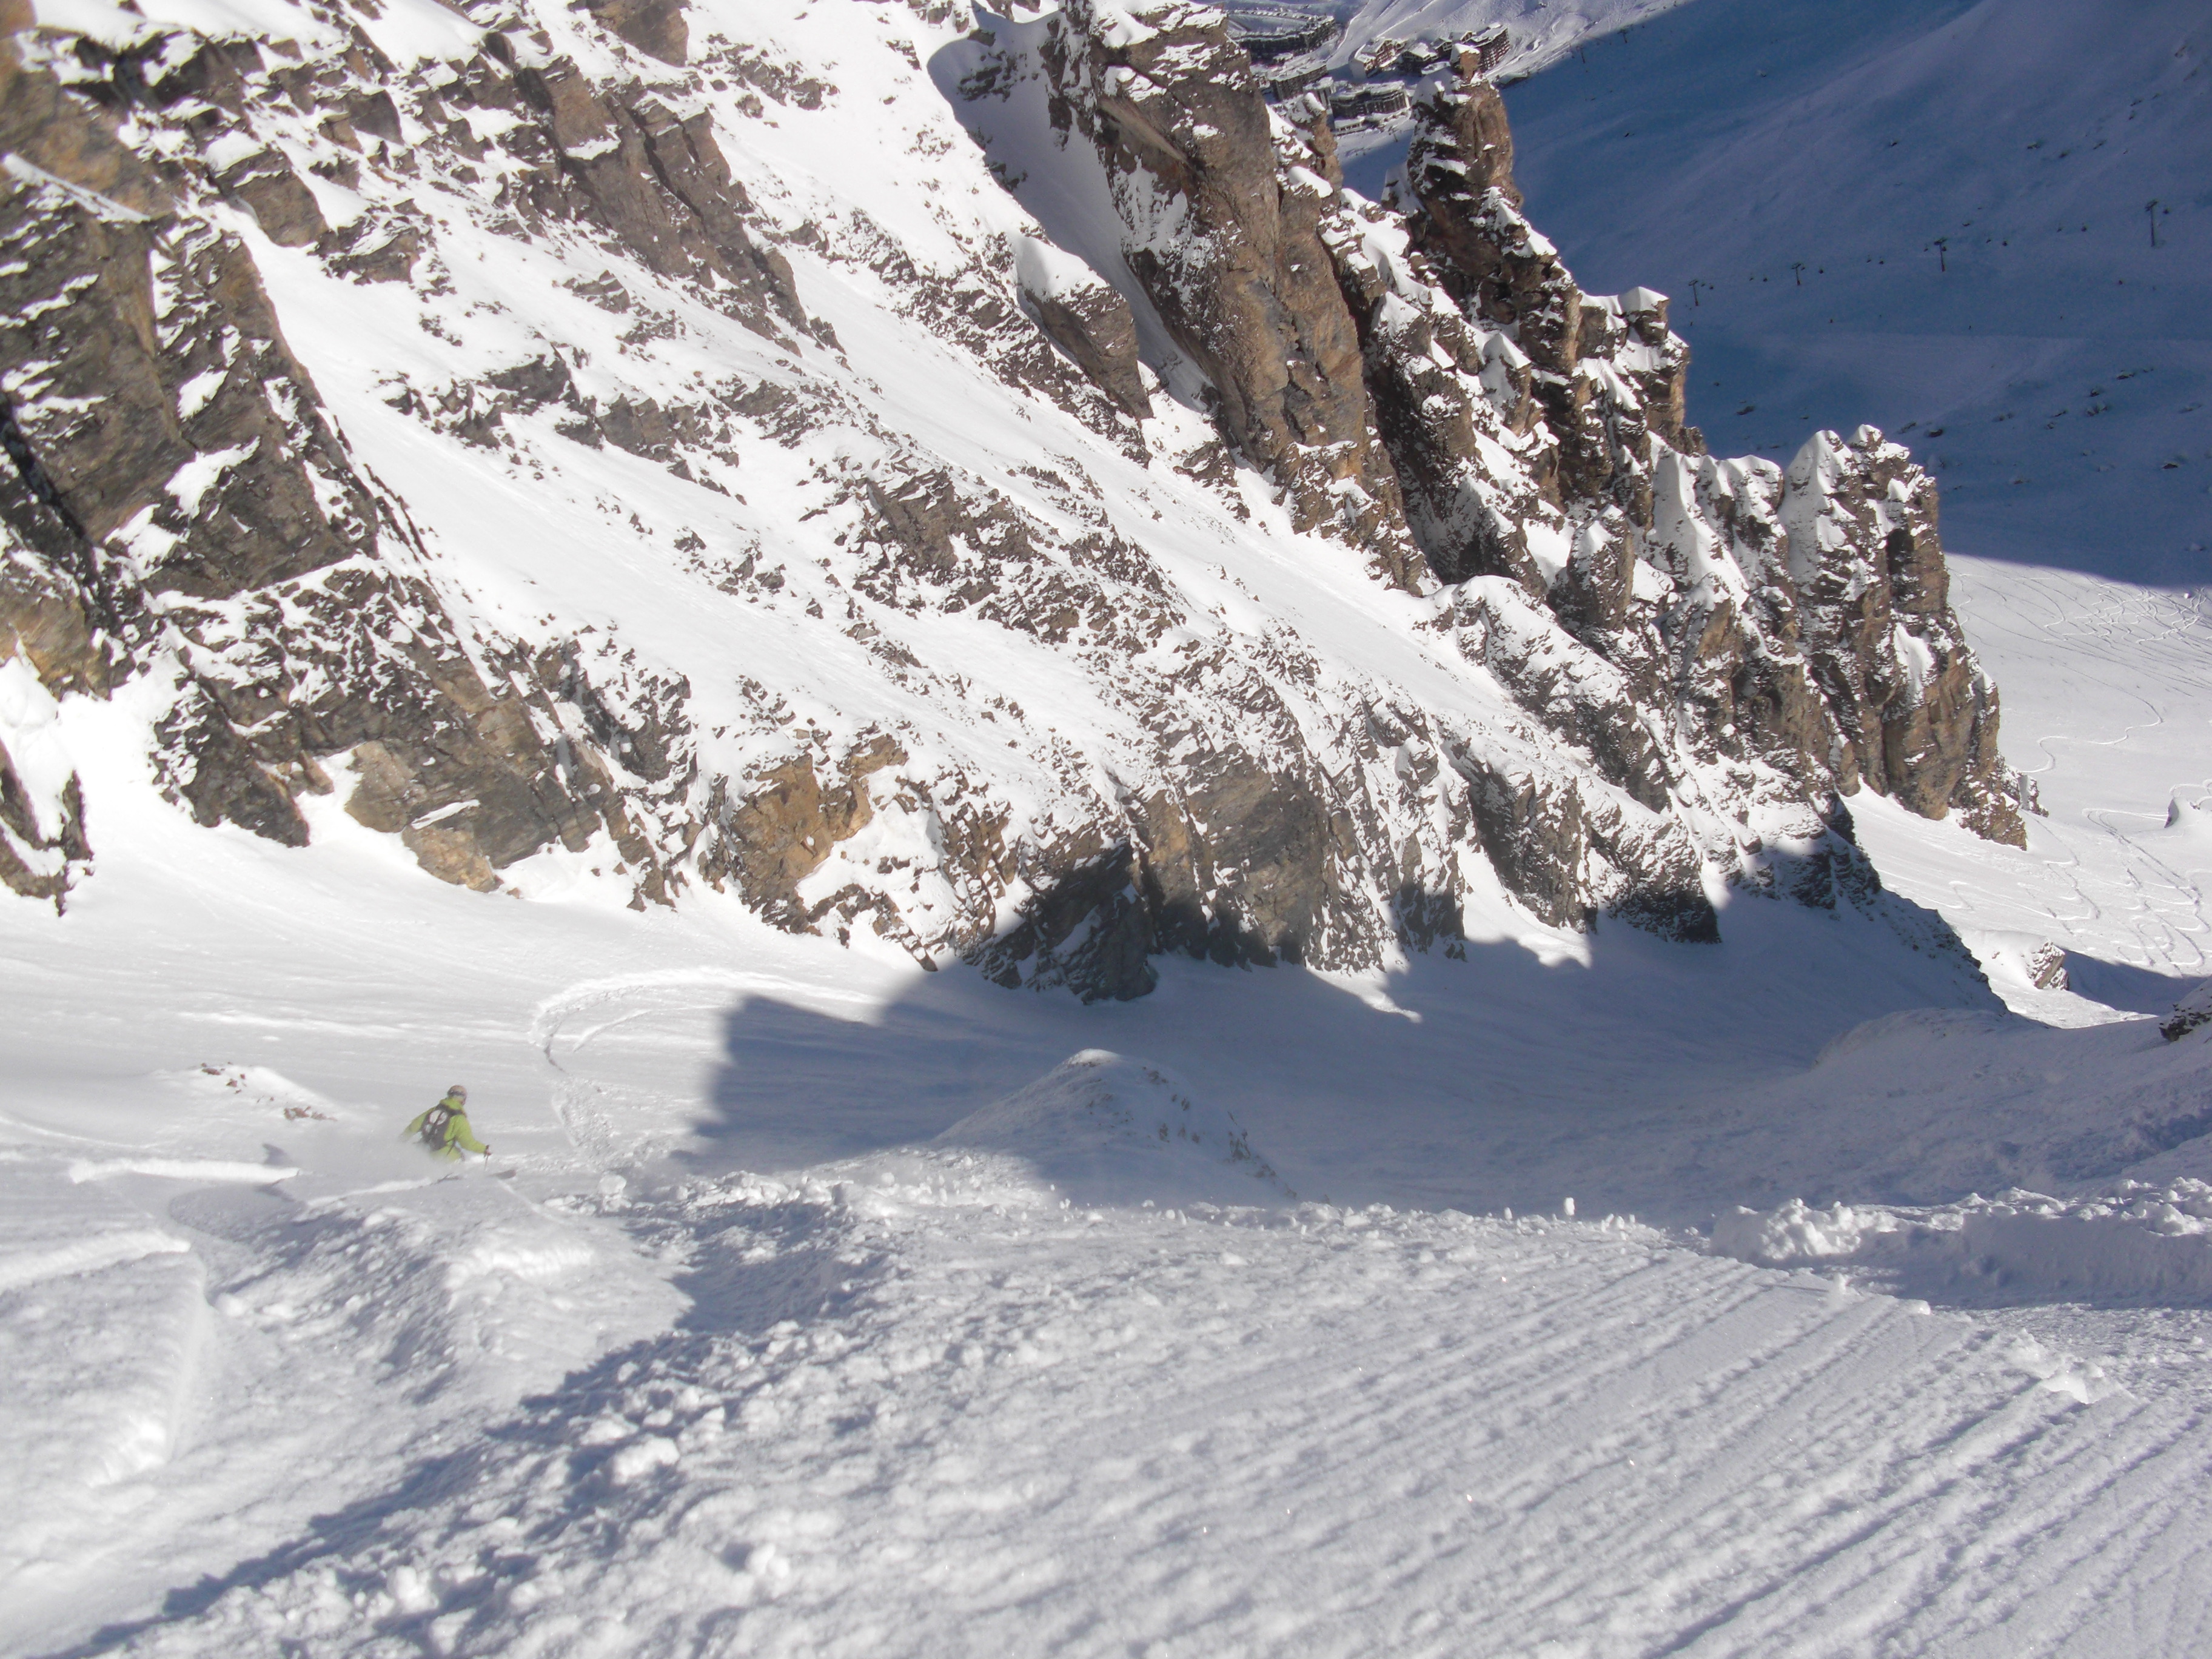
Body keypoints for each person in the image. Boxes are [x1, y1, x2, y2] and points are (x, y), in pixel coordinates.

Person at [404, 1083, 491, 1162]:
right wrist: (484, 1149)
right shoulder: (459, 1118)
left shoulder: (434, 1111)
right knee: (459, 1157)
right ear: (463, 1100)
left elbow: (413, 1126)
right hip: (444, 1157)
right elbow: (467, 1143)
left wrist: (399, 1142)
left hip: (423, 1153)